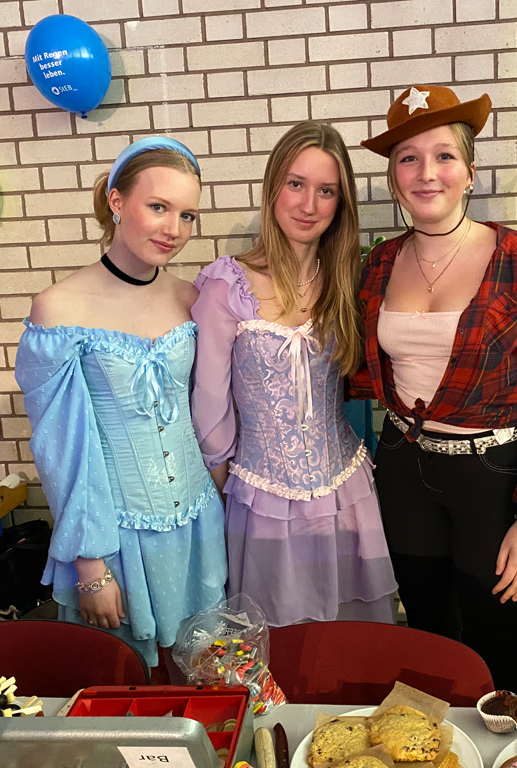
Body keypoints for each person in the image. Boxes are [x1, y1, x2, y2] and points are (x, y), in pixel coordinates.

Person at [352, 85, 517, 703]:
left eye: (444, 156)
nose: (427, 172)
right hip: (404, 469)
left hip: (493, 479)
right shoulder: (380, 263)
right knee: (429, 637)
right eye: (408, 158)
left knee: (498, 643)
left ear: (470, 172)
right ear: (394, 177)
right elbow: (356, 368)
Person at [14, 137, 227, 668]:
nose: (174, 229)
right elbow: (61, 449)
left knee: (206, 674)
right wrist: (91, 564)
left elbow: (211, 408)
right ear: (116, 201)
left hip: (198, 523)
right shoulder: (57, 309)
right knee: (127, 682)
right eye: (158, 206)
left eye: (187, 215)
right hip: (114, 537)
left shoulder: (190, 297)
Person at [191, 121, 397, 627]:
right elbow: (210, 409)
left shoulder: (346, 279)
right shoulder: (226, 285)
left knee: (355, 645)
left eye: (326, 191)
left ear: (340, 203)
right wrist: (228, 500)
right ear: (273, 188)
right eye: (296, 184)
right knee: (277, 645)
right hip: (262, 500)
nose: (309, 205)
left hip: (347, 492)